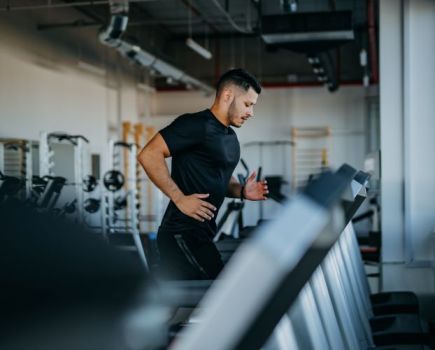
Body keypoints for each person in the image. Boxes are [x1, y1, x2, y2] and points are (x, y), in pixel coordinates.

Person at [137, 68, 268, 280]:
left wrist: (242, 191)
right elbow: (149, 154)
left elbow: (220, 180)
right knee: (219, 293)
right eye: (248, 104)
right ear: (227, 96)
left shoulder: (230, 137)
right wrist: (179, 198)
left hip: (201, 233)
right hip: (182, 233)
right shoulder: (196, 124)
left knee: (178, 302)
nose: (251, 112)